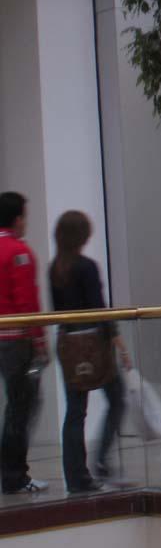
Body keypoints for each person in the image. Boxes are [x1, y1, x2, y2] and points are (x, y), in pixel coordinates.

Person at [49, 211, 132, 492]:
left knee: (75, 411)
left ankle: (76, 476)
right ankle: (102, 462)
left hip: (68, 345)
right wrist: (117, 343)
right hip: (93, 344)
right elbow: (100, 309)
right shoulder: (86, 267)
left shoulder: (56, 268)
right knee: (117, 397)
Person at [0, 192, 49, 494]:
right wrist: (39, 339)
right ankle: (14, 474)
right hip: (17, 342)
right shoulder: (19, 253)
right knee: (22, 407)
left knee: (14, 407)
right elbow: (27, 302)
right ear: (18, 219)